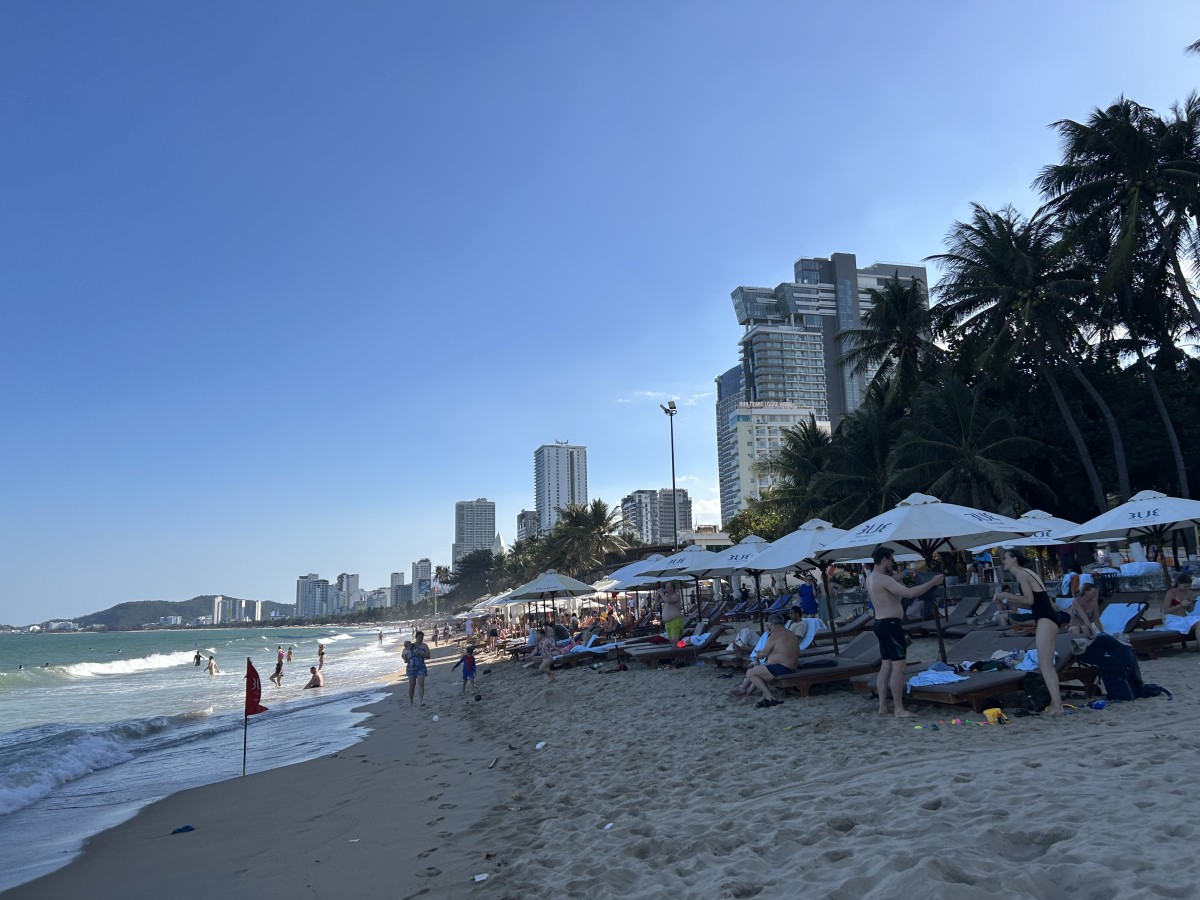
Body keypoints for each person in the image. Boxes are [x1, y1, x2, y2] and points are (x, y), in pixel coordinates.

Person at [867, 546, 945, 718]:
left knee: (886, 665)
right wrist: (932, 582)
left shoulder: (871, 578)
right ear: (885, 560)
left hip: (880, 623)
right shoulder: (883, 579)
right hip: (891, 625)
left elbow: (892, 581)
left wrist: (905, 574)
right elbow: (908, 593)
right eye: (891, 560)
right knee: (899, 667)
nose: (892, 563)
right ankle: (898, 709)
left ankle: (882, 706)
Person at [993, 548, 1067, 715]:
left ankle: (1058, 707)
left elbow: (1029, 599)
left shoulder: (1021, 574)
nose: (1003, 561)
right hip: (1047, 617)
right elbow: (1030, 604)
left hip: (1046, 619)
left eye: (1005, 558)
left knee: (1045, 665)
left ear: (1014, 559)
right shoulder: (1026, 573)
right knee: (1046, 665)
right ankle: (1057, 705)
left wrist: (1005, 594)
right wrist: (1005, 599)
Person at [730, 613, 800, 707]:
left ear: (774, 625)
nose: (769, 627)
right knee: (759, 669)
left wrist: (758, 653)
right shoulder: (791, 634)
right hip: (792, 667)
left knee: (750, 673)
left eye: (769, 625)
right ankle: (762, 695)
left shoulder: (774, 636)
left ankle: (769, 697)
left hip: (782, 668)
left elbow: (763, 655)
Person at [407, 631, 430, 706]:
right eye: (419, 638)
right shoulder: (411, 646)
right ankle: (411, 701)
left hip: (421, 667)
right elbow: (404, 654)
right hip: (411, 668)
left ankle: (421, 701)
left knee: (421, 684)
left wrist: (420, 654)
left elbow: (428, 656)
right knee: (411, 686)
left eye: (422, 638)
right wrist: (406, 659)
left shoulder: (424, 646)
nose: (421, 639)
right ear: (416, 637)